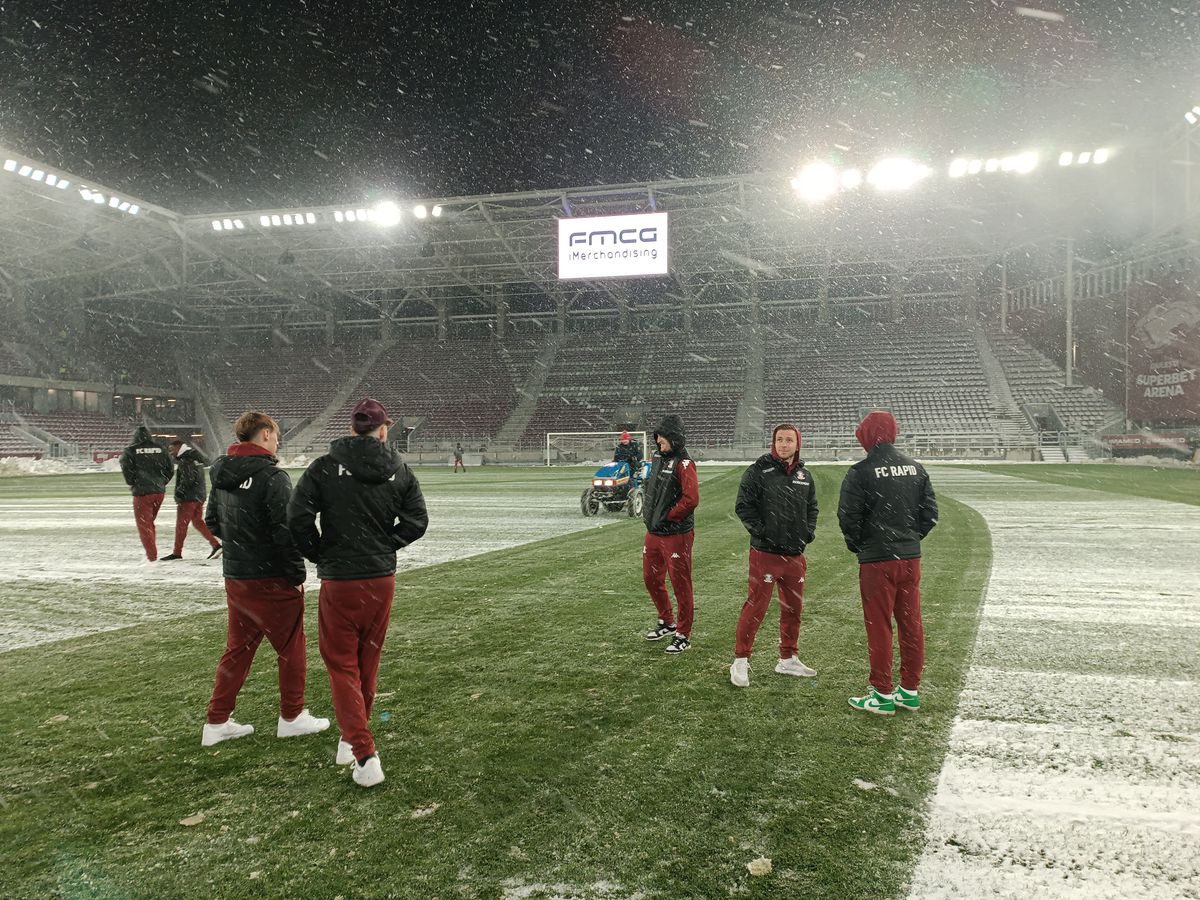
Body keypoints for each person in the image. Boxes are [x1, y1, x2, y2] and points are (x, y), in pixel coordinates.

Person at [289, 398, 428, 788]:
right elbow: (417, 520)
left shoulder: (323, 467)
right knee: (367, 662)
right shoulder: (398, 468)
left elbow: (297, 517)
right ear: (383, 430)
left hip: (341, 579)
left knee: (342, 665)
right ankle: (350, 741)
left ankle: (364, 754)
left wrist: (319, 552)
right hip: (380, 579)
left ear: (352, 428)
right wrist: (385, 545)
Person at [201, 411, 329, 747]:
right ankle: (292, 716)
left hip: (237, 575)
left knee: (238, 649)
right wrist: (296, 574)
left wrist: (242, 544)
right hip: (270, 576)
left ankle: (216, 721)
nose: (278, 441)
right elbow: (284, 530)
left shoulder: (222, 472)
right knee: (290, 646)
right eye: (276, 434)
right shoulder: (272, 476)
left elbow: (212, 520)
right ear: (266, 433)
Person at [837, 411, 938, 715]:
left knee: (879, 626)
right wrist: (909, 539)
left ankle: (881, 693)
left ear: (867, 435)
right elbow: (930, 514)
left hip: (877, 560)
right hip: (909, 558)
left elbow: (848, 517)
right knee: (911, 624)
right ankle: (909, 691)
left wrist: (862, 546)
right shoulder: (915, 468)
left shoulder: (861, 472)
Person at [730, 423, 818, 687]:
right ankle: (741, 661)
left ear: (797, 444)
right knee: (756, 607)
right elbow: (743, 505)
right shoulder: (759, 470)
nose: (783, 444)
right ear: (773, 442)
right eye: (779, 439)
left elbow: (812, 508)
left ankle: (788, 658)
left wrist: (807, 533)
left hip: (794, 556)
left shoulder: (804, 475)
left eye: (789, 440)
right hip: (765, 554)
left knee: (793, 609)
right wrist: (763, 532)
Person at [641, 414, 700, 654]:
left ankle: (683, 634)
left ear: (674, 438)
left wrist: (669, 516)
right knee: (651, 578)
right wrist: (651, 515)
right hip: (654, 532)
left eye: (662, 437)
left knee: (680, 584)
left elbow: (691, 499)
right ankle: (667, 621)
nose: (658, 441)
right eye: (657, 437)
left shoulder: (684, 464)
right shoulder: (657, 458)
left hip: (676, 534)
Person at [119, 425, 174, 562]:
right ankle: (152, 552)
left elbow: (126, 468)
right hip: (159, 492)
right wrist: (161, 482)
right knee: (149, 523)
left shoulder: (131, 450)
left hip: (142, 492)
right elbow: (170, 469)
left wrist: (133, 483)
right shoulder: (160, 448)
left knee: (144, 525)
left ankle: (151, 556)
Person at [161, 439, 222, 561]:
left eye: (172, 450)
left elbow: (187, 480)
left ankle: (177, 552)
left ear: (178, 448)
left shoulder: (186, 460)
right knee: (197, 522)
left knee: (181, 525)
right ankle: (216, 545)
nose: (171, 453)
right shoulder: (194, 457)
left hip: (188, 498)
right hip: (198, 495)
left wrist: (179, 494)